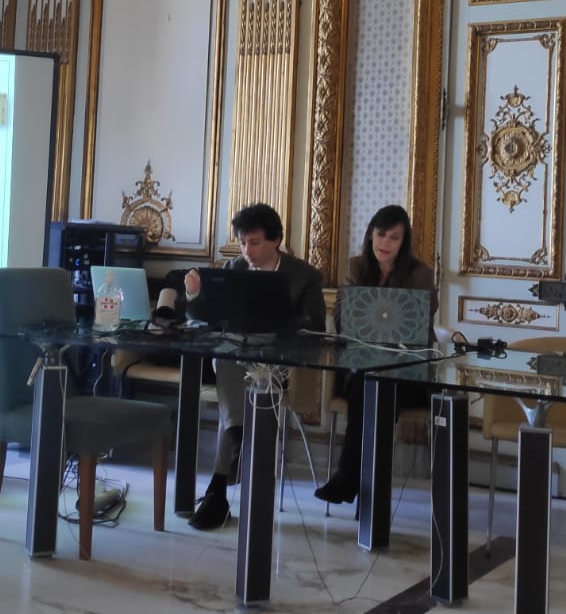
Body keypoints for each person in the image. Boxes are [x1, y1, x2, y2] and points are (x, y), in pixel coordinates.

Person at [183, 202, 324, 530]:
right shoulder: (233, 268)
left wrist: (280, 321)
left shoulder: (304, 276)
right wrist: (194, 295)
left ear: (276, 241)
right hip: (237, 354)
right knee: (229, 360)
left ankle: (221, 481)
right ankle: (234, 449)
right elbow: (204, 318)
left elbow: (316, 327)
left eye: (255, 242)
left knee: (253, 384)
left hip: (280, 360)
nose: (247, 251)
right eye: (243, 242)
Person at [313, 204, 436, 505]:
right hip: (362, 367)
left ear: (403, 242)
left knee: (377, 390)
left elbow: (419, 324)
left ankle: (348, 479)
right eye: (381, 235)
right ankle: (365, 490)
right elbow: (342, 317)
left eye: (394, 237)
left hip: (408, 373)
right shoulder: (357, 266)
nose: (386, 243)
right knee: (369, 387)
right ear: (370, 235)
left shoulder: (420, 274)